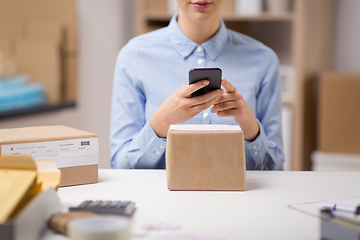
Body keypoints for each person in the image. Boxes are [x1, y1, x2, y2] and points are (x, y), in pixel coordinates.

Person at [110, 0, 284, 170]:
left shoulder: (263, 59)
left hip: (240, 198)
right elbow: (120, 165)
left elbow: (276, 168)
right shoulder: (134, 56)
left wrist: (249, 126)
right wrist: (161, 122)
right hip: (159, 198)